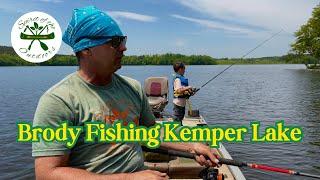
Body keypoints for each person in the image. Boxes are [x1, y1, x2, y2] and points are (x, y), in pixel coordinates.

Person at [32, 6, 218, 180]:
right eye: (115, 42)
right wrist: (128, 178)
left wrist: (192, 147)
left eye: (123, 40)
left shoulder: (133, 87)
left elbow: (149, 133)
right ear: (86, 49)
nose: (124, 48)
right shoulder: (59, 100)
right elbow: (47, 173)